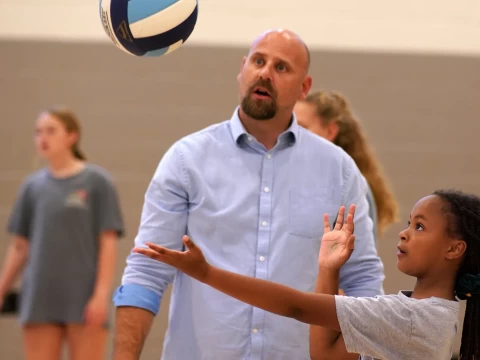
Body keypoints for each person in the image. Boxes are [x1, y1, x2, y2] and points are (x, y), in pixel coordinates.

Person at [112, 29, 385, 360]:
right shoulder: (187, 161)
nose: (265, 73)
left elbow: (364, 283)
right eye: (258, 61)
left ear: (304, 88)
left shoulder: (338, 171)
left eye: (281, 67)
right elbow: (146, 271)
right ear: (242, 69)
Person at [135, 188, 480, 360]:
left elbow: (297, 307)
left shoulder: (415, 319)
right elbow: (326, 353)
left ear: (454, 249)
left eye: (420, 227)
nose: (404, 233)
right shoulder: (415, 314)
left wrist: (206, 272)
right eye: (408, 224)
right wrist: (328, 270)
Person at [0, 107, 125, 360]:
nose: (42, 138)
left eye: (50, 131)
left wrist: (101, 296)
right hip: (39, 296)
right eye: (38, 132)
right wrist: (2, 288)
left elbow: (107, 243)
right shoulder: (31, 187)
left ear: (71, 136)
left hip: (84, 297)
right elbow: (20, 246)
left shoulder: (97, 182)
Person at [294, 90, 399, 242]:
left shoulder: (350, 186)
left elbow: (360, 260)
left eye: (302, 128)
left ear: (330, 131)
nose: (292, 134)